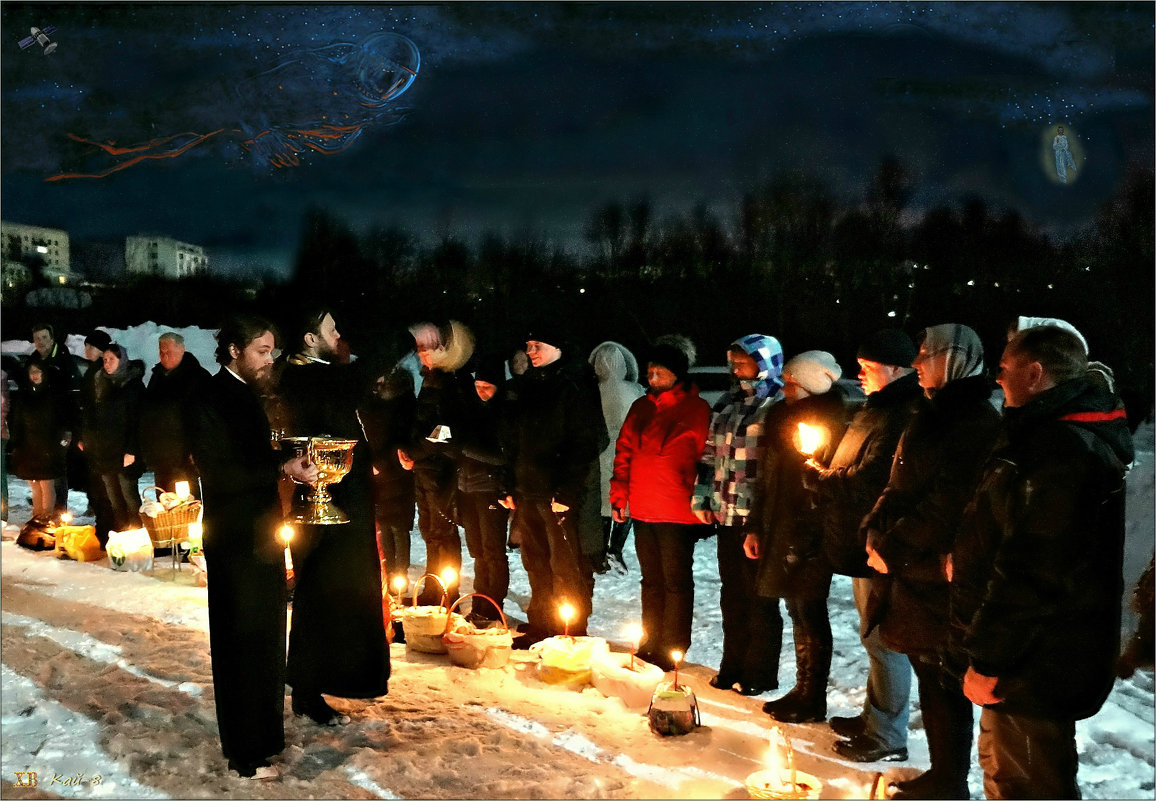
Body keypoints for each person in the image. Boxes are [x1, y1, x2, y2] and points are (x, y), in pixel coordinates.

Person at [949, 325, 1133, 799]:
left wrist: (991, 659)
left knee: (1027, 781)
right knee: (1009, 771)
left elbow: (1034, 568)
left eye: (1005, 369)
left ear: (1035, 372)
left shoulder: (1061, 450)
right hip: (1030, 655)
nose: (997, 379)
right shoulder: (1045, 436)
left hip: (1036, 661)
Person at [861, 323, 1002, 800]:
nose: (918, 362)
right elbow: (899, 482)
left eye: (928, 354)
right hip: (911, 565)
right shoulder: (932, 412)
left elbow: (947, 500)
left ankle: (950, 779)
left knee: (942, 673)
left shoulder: (973, 421)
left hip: (935, 571)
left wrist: (892, 546)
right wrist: (875, 529)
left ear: (956, 360)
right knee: (928, 669)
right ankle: (946, 775)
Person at [189, 313, 316, 780]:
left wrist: (285, 460)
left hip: (260, 535)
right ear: (233, 351)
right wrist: (283, 470)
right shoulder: (211, 396)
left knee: (265, 640)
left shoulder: (247, 395)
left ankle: (264, 739)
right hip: (232, 537)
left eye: (272, 351)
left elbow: (252, 458)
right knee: (240, 644)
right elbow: (220, 473)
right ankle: (244, 752)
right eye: (262, 351)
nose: (270, 360)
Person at [808, 330, 922, 763]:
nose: (859, 373)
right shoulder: (878, 408)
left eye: (868, 366)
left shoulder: (902, 412)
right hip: (860, 535)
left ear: (895, 369)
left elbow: (875, 477)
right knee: (871, 635)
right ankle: (875, 717)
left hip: (880, 541)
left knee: (883, 639)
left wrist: (823, 477)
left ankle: (888, 735)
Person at [277, 307, 391, 725]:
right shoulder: (303, 376)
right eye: (331, 327)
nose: (338, 333)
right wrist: (409, 336)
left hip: (346, 505)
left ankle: (323, 681)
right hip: (323, 509)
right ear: (310, 338)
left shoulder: (320, 373)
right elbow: (355, 380)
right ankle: (307, 689)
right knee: (319, 596)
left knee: (338, 596)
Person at [746, 350, 852, 723]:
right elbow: (769, 478)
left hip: (811, 530)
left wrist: (814, 485)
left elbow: (832, 485)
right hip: (781, 524)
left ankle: (813, 694)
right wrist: (756, 524)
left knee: (810, 610)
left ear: (813, 385)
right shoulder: (783, 420)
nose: (786, 388)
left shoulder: (831, 426)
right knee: (796, 610)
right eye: (787, 381)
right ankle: (802, 688)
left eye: (794, 383)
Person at [502, 323, 607, 645]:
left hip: (556, 494)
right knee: (535, 562)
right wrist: (510, 485)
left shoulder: (575, 386)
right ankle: (541, 625)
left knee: (565, 566)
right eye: (529, 346)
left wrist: (566, 490)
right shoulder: (528, 386)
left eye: (538, 346)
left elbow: (586, 443)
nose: (530, 352)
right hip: (527, 490)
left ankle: (571, 631)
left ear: (558, 348)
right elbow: (513, 441)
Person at [693, 333, 785, 696]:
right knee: (731, 594)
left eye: (743, 362)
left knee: (759, 597)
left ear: (764, 363)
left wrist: (760, 521)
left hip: (755, 516)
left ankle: (759, 671)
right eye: (733, 361)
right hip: (725, 511)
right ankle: (732, 663)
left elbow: (774, 469)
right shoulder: (727, 402)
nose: (736, 368)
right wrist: (702, 499)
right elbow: (709, 456)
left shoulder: (777, 406)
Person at [610, 341, 710, 669]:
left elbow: (706, 461)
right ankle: (650, 640)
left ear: (676, 374)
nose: (652, 378)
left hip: (677, 511)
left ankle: (673, 646)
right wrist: (619, 495)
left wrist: (705, 502)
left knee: (676, 581)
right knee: (651, 580)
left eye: (659, 372)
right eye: (650, 372)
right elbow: (624, 451)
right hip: (642, 508)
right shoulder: (641, 407)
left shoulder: (695, 410)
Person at [400, 321, 474, 605]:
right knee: (430, 530)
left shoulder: (451, 384)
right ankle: (433, 588)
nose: (420, 354)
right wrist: (408, 452)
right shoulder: (430, 381)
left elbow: (444, 431)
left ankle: (445, 593)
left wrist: (415, 451)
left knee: (443, 531)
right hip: (425, 467)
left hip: (442, 468)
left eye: (425, 349)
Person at [454, 355, 512, 623]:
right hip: (468, 488)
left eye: (487, 387)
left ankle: (494, 606)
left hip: (491, 490)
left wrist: (466, 449)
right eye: (478, 386)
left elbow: (504, 456)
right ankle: (480, 603)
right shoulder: (472, 409)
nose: (481, 392)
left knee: (492, 550)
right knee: (477, 550)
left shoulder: (504, 412)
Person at [588, 340, 646, 574]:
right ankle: (616, 549)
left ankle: (601, 553)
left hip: (600, 455)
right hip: (626, 454)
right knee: (625, 505)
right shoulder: (634, 390)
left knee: (603, 505)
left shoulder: (591, 391)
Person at [358, 366, 417, 591]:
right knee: (383, 523)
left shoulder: (402, 402)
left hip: (396, 470)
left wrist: (382, 462)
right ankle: (389, 576)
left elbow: (400, 437)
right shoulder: (373, 400)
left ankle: (399, 579)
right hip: (377, 471)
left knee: (398, 527)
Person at [78, 344, 145, 531]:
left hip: (124, 450)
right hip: (104, 450)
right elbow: (92, 414)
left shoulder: (132, 385)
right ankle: (122, 534)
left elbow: (137, 421)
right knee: (113, 497)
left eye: (111, 360)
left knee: (129, 495)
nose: (107, 364)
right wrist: (86, 438)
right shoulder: (100, 382)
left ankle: (137, 535)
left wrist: (132, 450)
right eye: (105, 360)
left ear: (122, 360)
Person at [139, 332, 211, 495]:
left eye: (168, 352)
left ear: (181, 350)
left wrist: (198, 447)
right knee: (163, 498)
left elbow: (204, 417)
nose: (164, 356)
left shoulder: (197, 377)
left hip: (183, 454)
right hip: (161, 453)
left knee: (184, 500)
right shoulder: (158, 375)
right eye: (161, 352)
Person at [26, 323, 80, 516]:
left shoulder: (64, 360)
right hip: (40, 428)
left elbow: (73, 396)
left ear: (52, 338)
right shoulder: (33, 360)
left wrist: (69, 428)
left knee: (57, 470)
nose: (40, 342)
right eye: (37, 338)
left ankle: (59, 513)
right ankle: (43, 510)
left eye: (44, 337)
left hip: (60, 426)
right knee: (41, 470)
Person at [9, 363, 70, 522]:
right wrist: (17, 444)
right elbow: (18, 422)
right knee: (35, 486)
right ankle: (36, 518)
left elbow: (60, 421)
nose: (34, 375)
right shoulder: (25, 396)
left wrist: (60, 443)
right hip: (29, 448)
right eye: (31, 372)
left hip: (47, 447)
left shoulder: (52, 395)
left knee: (47, 485)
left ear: (44, 374)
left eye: (38, 371)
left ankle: (46, 519)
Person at [78, 330, 116, 542]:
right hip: (92, 439)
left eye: (90, 346)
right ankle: (103, 527)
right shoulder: (91, 371)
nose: (86, 350)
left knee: (103, 488)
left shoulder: (102, 373)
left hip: (102, 441)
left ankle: (109, 529)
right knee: (95, 488)